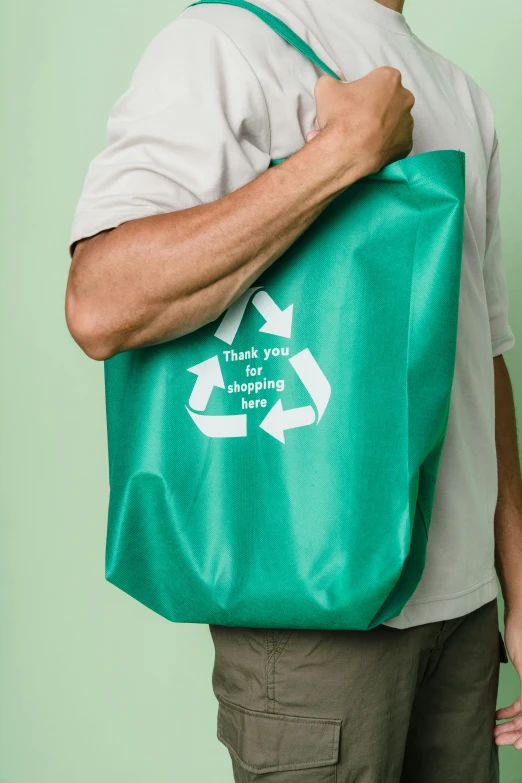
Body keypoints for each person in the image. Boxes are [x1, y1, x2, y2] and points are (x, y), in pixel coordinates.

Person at [66, 0, 522, 780]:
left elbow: (484, 357)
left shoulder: (461, 92)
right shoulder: (224, 44)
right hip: (315, 615)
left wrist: (516, 584)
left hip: (467, 615)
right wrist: (341, 153)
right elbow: (100, 302)